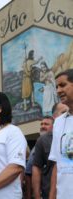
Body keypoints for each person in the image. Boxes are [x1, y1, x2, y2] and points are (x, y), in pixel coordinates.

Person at [48, 69, 73, 199]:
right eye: (56, 87)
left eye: (62, 85)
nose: (58, 91)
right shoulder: (58, 122)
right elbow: (58, 164)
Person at [32, 116, 54, 199]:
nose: (43, 126)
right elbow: (35, 168)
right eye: (41, 124)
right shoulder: (41, 140)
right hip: (48, 191)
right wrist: (37, 195)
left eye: (46, 124)